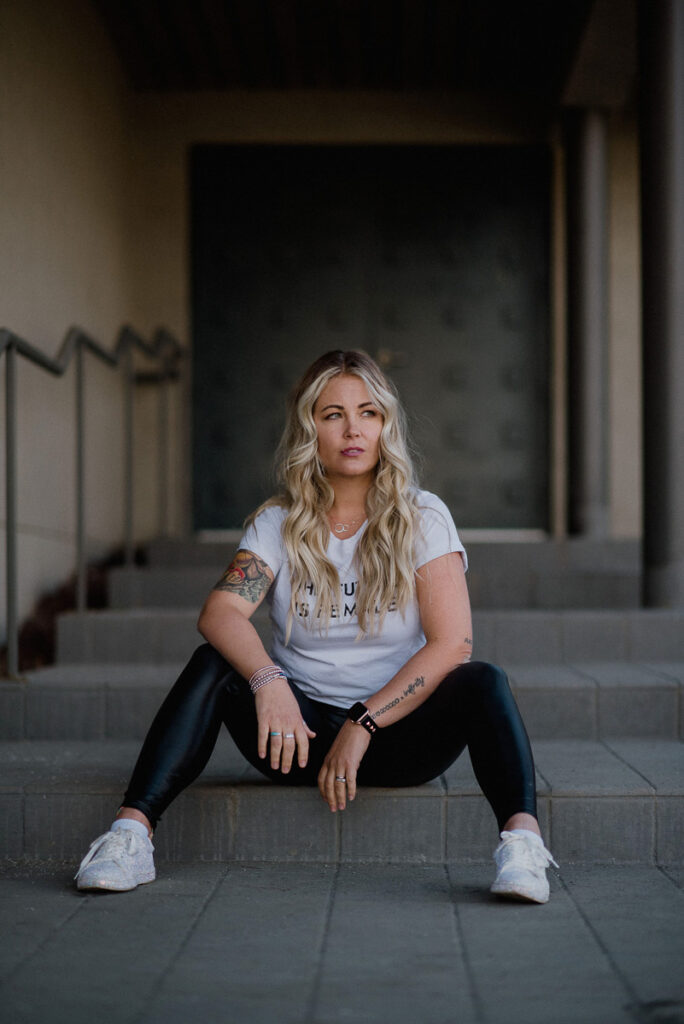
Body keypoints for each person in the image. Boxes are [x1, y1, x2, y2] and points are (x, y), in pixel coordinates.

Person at [75, 349, 557, 902]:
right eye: (333, 414)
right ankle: (130, 836)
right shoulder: (278, 522)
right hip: (295, 738)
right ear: (311, 429)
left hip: (400, 738)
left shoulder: (423, 517)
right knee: (214, 663)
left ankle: (522, 848)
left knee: (484, 679)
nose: (353, 428)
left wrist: (363, 723)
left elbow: (453, 643)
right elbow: (220, 613)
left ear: (386, 426)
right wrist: (267, 680)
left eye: (368, 413)